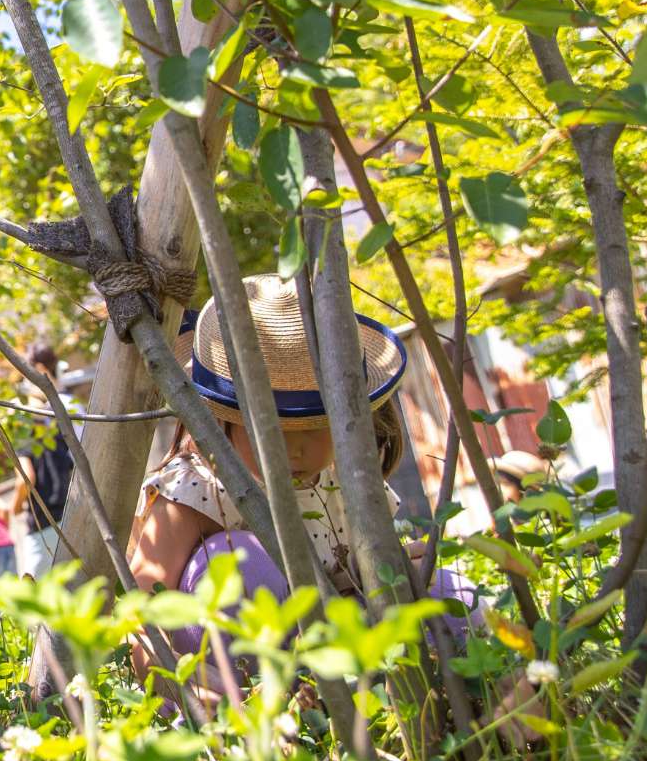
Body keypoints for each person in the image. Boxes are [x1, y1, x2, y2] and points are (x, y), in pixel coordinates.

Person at [127, 274, 475, 677]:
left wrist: (387, 572)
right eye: (270, 429)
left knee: (444, 592)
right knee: (245, 567)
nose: (296, 449)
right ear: (220, 418)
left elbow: (351, 585)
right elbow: (141, 608)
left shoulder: (344, 483)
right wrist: (184, 685)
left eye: (316, 426)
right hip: (229, 680)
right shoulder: (196, 488)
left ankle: (456, 687)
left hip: (339, 666)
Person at [11, 343, 75, 578]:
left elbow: (25, 479)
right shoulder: (56, 425)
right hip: (68, 515)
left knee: (32, 592)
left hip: (42, 523)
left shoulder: (25, 429)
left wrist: (13, 508)